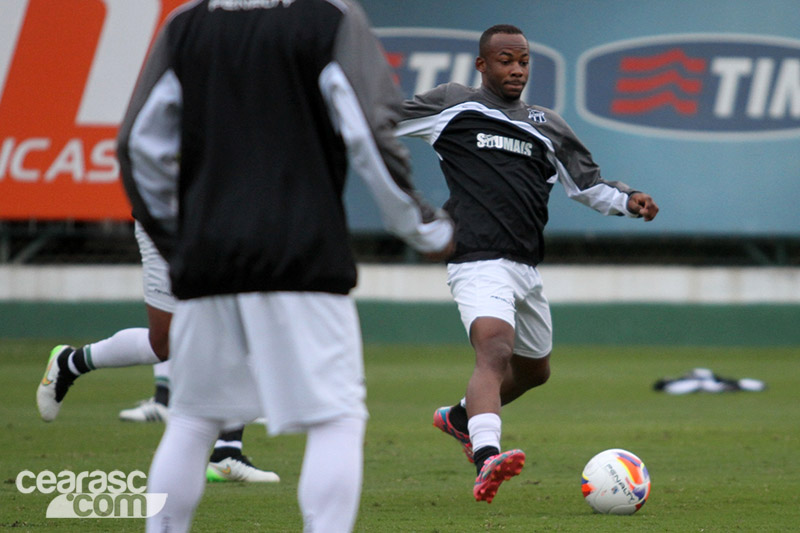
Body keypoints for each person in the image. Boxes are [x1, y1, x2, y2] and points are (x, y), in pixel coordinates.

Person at [116, 0, 454, 531]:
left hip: (208, 263)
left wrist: (180, 243)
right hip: (302, 256)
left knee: (190, 420)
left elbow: (137, 145)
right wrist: (424, 228)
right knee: (337, 418)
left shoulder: (186, 24)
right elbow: (369, 132)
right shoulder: (331, 19)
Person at [396, 24, 659, 504]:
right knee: (495, 349)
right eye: (504, 60)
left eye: (522, 61)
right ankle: (486, 457)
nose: (516, 69)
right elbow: (379, 124)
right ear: (482, 65)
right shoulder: (454, 104)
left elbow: (587, 185)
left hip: (525, 266)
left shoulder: (547, 124)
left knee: (536, 371)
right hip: (475, 258)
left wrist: (629, 200)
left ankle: (459, 418)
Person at [36, 221, 279, 483]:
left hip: (215, 219)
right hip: (167, 226)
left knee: (239, 321)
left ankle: (227, 452)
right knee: (163, 343)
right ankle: (71, 363)